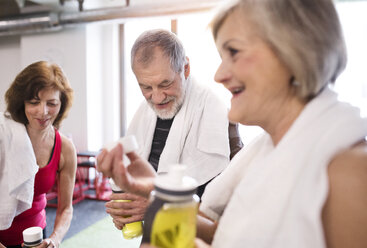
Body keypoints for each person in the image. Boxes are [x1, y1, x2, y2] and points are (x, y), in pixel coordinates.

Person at [97, 0, 367, 247]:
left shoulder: (350, 173)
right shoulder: (264, 151)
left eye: (234, 52)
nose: (219, 74)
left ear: (295, 52)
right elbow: (223, 235)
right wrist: (159, 195)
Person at [101, 29, 243, 231]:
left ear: (185, 69)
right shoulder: (144, 115)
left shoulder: (218, 116)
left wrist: (156, 206)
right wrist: (125, 211)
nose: (157, 98)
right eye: (146, 88)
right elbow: (135, 183)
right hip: (155, 234)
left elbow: (229, 203)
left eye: (165, 83)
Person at [0, 61, 77, 248]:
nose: (43, 112)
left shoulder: (65, 148)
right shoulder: (4, 136)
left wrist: (55, 238)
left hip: (35, 237)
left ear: (62, 104)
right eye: (34, 102)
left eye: (51, 103)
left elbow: (66, 208)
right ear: (21, 101)